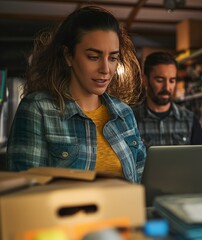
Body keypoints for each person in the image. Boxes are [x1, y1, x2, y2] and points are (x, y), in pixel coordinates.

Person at [6, 6, 146, 183]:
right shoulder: (39, 109)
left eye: (112, 58)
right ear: (68, 56)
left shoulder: (124, 113)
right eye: (93, 57)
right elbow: (24, 193)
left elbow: (141, 183)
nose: (106, 69)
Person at [133, 51, 202, 147]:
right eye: (160, 80)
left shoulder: (189, 120)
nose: (167, 87)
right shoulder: (131, 120)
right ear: (145, 80)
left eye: (172, 80)